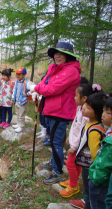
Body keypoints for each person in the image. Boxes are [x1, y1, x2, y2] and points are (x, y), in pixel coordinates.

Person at [31, 42, 81, 185]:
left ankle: (58, 171)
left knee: (56, 142)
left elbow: (52, 89)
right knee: (53, 140)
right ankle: (54, 162)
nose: (58, 56)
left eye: (61, 54)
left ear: (68, 56)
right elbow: (44, 83)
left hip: (62, 111)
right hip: (52, 108)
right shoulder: (54, 68)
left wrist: (36, 88)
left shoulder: (71, 71)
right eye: (56, 54)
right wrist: (38, 87)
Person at [74, 92, 107, 209]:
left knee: (89, 191)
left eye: (88, 107)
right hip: (87, 165)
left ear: (98, 114)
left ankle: (88, 205)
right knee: (87, 190)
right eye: (85, 105)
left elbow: (95, 154)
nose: (83, 107)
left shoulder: (94, 131)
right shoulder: (90, 123)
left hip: (90, 167)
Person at [59, 84, 92, 198]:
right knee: (76, 164)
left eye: (76, 96)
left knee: (70, 164)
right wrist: (70, 137)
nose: (74, 98)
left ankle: (73, 186)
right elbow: (76, 126)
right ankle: (73, 181)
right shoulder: (79, 108)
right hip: (75, 141)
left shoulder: (86, 114)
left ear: (84, 98)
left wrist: (74, 146)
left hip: (78, 145)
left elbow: (83, 132)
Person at [86, 94, 112, 209]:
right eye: (104, 111)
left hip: (99, 181)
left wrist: (94, 178)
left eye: (108, 112)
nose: (103, 115)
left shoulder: (109, 141)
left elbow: (100, 161)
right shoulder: (107, 130)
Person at [12, 67, 35, 133]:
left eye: (19, 74)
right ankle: (18, 124)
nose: (17, 76)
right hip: (17, 101)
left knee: (21, 114)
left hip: (22, 101)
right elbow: (14, 90)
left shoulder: (27, 83)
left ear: (24, 75)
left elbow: (35, 88)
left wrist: (28, 93)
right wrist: (13, 99)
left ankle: (21, 126)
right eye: (17, 74)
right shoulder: (17, 82)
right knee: (17, 113)